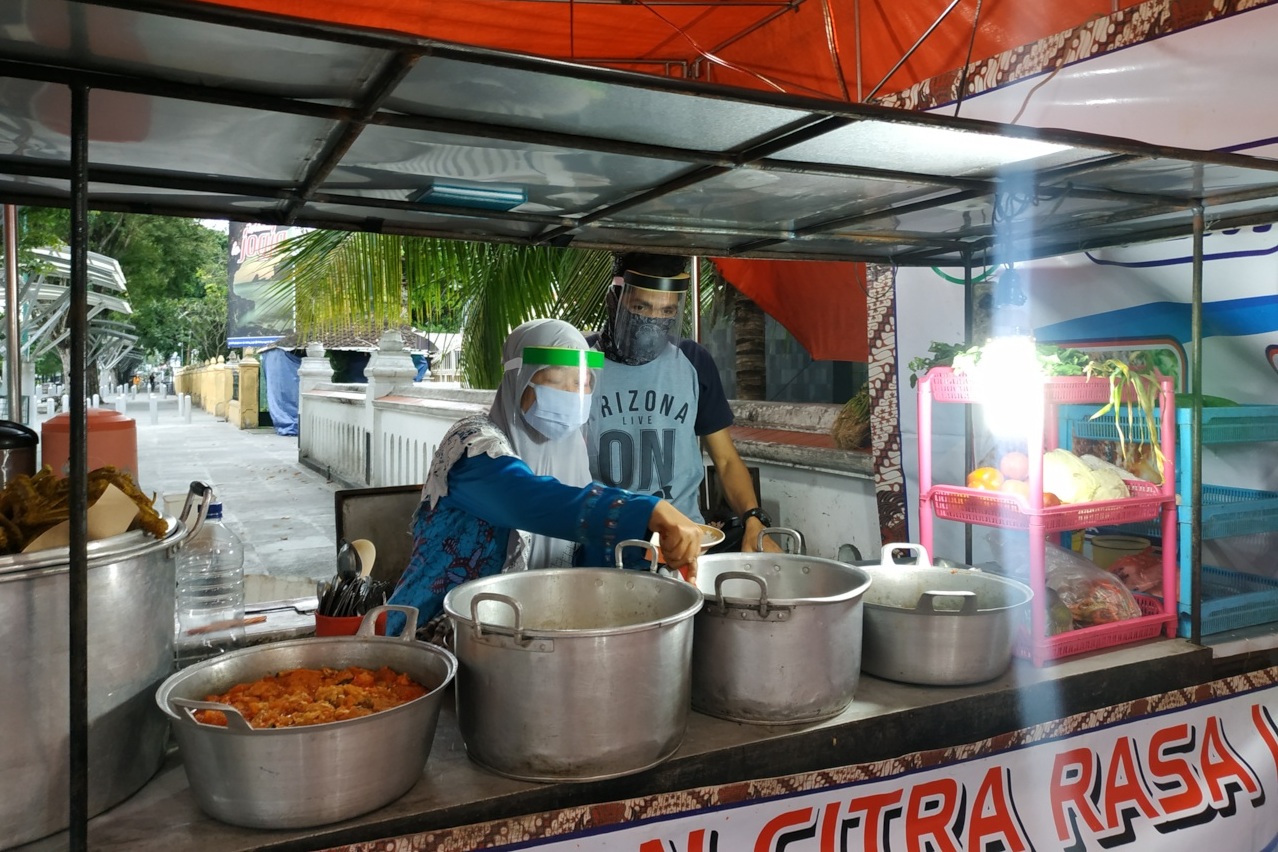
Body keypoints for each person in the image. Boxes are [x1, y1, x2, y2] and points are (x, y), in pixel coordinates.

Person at [385, 318, 704, 638]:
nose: (571, 395)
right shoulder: (473, 448)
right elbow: (532, 500)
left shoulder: (573, 453)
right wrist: (649, 510)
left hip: (521, 637)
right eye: (555, 380)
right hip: (428, 638)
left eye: (582, 384)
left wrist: (646, 551)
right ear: (518, 378)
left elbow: (582, 548)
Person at [586, 252, 781, 554]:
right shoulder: (580, 360)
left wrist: (754, 518)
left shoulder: (692, 360)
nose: (653, 320)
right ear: (615, 299)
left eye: (666, 311)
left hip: (685, 538)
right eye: (641, 307)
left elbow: (727, 460)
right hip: (605, 537)